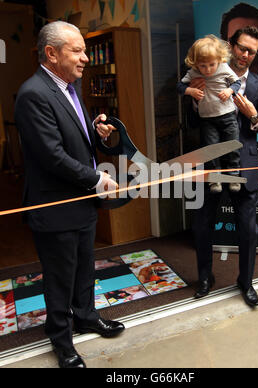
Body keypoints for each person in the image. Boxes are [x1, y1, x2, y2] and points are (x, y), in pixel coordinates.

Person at [14, 21, 125, 369]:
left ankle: (87, 316)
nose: (86, 58)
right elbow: (51, 155)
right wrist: (97, 179)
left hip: (81, 202)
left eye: (84, 50)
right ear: (51, 53)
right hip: (56, 204)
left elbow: (72, 139)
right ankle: (62, 341)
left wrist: (97, 133)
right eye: (77, 50)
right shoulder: (33, 93)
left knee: (84, 268)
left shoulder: (70, 89)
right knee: (60, 275)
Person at [191, 26, 258, 307]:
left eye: (252, 51)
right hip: (211, 163)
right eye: (241, 48)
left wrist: (254, 116)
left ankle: (246, 281)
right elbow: (191, 124)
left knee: (248, 229)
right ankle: (205, 278)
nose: (245, 55)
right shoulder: (205, 74)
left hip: (245, 165)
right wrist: (195, 102)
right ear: (231, 45)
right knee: (203, 225)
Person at [177, 34, 241, 194]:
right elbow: (179, 86)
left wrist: (229, 90)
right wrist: (190, 90)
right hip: (207, 119)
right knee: (210, 149)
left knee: (232, 145)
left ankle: (234, 173)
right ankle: (214, 178)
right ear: (196, 63)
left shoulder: (224, 67)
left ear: (219, 59)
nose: (207, 70)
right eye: (202, 66)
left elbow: (237, 82)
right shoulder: (193, 72)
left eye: (211, 65)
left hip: (227, 115)